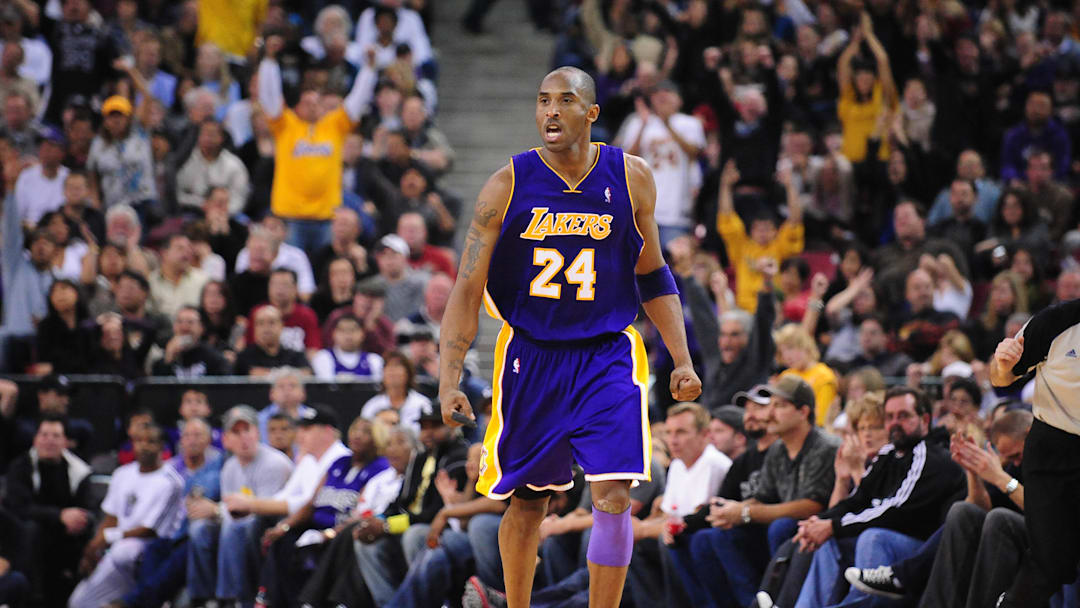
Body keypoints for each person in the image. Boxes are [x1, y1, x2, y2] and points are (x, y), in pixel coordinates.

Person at [437, 66, 701, 608]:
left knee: (613, 494)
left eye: (564, 100)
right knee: (528, 503)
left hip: (607, 354)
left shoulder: (631, 177)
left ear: (592, 113)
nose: (551, 111)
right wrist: (448, 379)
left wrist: (682, 358)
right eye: (542, 101)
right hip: (531, 357)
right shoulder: (506, 184)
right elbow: (466, 290)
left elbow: (652, 274)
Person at [990, 297, 1080, 606]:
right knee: (1051, 563)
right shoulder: (1057, 321)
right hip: (1053, 447)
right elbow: (1001, 378)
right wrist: (1002, 364)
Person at [257, 34, 375, 253]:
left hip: (326, 217)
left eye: (317, 102)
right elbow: (268, 97)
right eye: (307, 102)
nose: (312, 105)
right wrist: (269, 62)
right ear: (297, 107)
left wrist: (369, 69)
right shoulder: (285, 125)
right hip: (291, 218)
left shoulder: (334, 126)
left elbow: (357, 102)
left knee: (324, 270)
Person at [186, 406, 294, 607]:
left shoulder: (274, 463)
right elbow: (232, 509)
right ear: (226, 440)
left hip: (271, 525)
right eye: (236, 432)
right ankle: (203, 597)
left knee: (234, 528)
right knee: (199, 529)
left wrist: (217, 510)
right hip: (242, 521)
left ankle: (233, 598)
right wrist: (214, 511)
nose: (244, 437)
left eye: (248, 430)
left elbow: (265, 510)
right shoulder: (230, 467)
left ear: (257, 433)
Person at [68, 424, 184, 608]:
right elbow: (110, 519)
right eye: (138, 441)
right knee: (78, 603)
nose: (144, 446)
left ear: (162, 446)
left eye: (151, 441)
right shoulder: (122, 473)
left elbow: (150, 530)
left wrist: (108, 537)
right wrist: (93, 547)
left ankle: (141, 599)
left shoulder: (171, 482)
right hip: (116, 551)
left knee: (126, 550)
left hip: (151, 550)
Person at [3, 416, 94, 605]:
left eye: (55, 436)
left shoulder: (79, 471)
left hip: (65, 537)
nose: (49, 440)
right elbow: (18, 507)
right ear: (35, 439)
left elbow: (86, 509)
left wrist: (77, 519)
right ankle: (34, 597)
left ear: (66, 442)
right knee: (30, 529)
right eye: (44, 435)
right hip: (26, 536)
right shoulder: (20, 466)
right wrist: (59, 516)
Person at [233, 306, 312, 376]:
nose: (266, 328)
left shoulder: (296, 356)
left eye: (272, 322)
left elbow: (308, 374)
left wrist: (266, 375)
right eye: (260, 323)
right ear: (254, 328)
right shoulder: (244, 358)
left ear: (281, 326)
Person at [311, 314, 384, 381]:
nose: (348, 335)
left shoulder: (374, 360)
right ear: (334, 334)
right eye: (343, 330)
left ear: (362, 334)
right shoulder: (323, 357)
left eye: (353, 330)